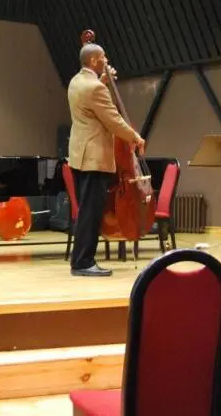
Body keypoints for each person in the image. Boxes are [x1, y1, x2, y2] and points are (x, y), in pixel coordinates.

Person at [67, 42, 146, 277]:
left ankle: (80, 259)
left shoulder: (76, 82)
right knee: (91, 212)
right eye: (103, 57)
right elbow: (113, 120)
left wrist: (102, 80)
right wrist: (136, 137)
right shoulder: (96, 89)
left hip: (79, 156)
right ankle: (83, 262)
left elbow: (90, 105)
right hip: (94, 157)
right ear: (93, 61)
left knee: (86, 211)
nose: (106, 60)